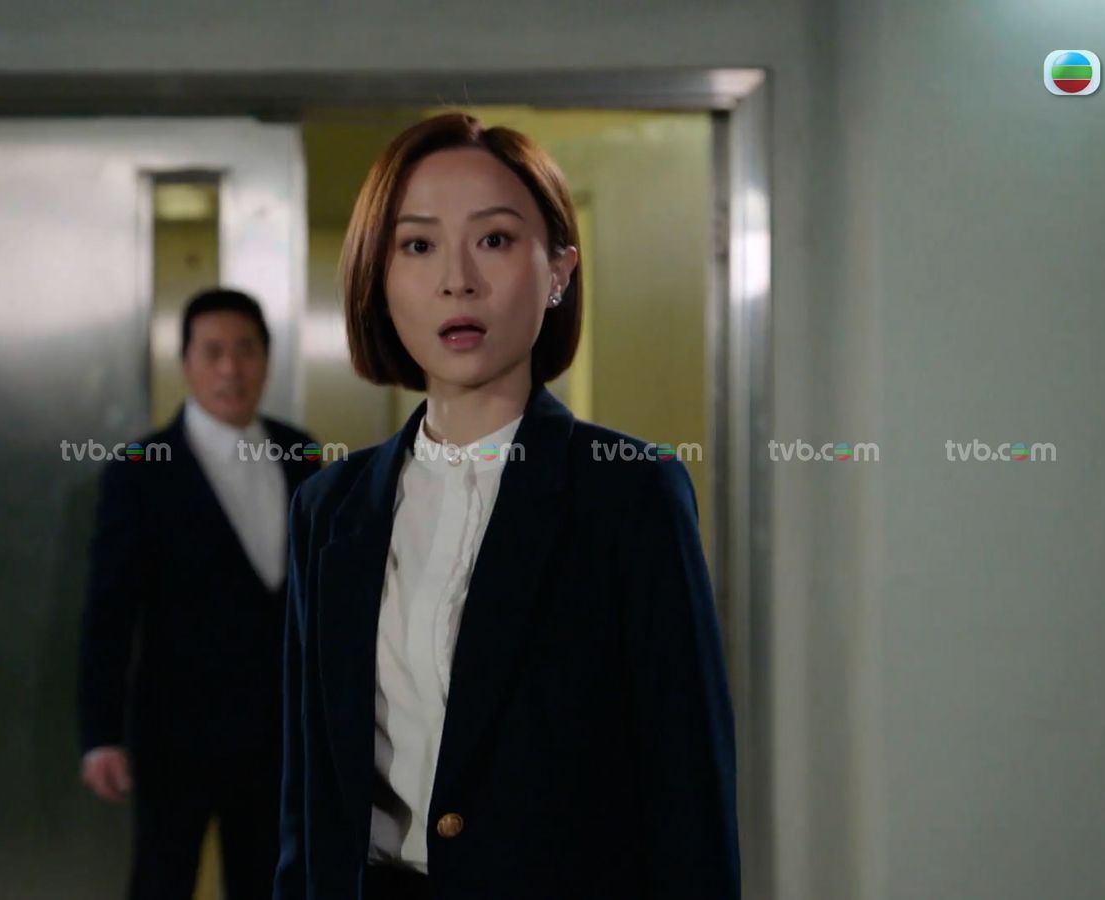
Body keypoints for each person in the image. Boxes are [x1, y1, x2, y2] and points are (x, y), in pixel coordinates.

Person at [273, 113, 739, 900]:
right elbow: (308, 794)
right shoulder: (330, 507)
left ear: (558, 271)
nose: (457, 279)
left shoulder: (629, 491)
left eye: (493, 239)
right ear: (377, 279)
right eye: (417, 245)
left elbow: (688, 790)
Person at [79, 288, 323, 900]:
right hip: (174, 735)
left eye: (246, 350)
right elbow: (109, 610)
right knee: (162, 882)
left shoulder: (303, 453)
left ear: (266, 359)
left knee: (273, 882)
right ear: (186, 362)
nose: (230, 368)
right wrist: (100, 733)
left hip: (277, 735)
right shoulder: (139, 468)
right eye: (213, 351)